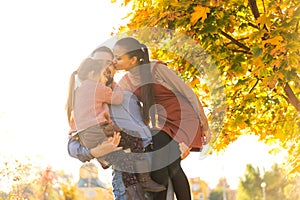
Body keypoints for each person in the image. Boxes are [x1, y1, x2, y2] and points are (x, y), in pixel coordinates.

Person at [112, 37, 211, 200]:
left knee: (166, 160)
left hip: (182, 118)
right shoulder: (126, 82)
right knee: (169, 164)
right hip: (161, 124)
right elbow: (117, 102)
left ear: (133, 59)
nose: (114, 61)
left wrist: (204, 124)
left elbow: (188, 93)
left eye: (118, 57)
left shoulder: (157, 69)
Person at [66, 47, 165, 200]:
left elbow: (146, 127)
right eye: (99, 63)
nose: (104, 67)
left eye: (108, 63)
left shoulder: (128, 96)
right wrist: (94, 152)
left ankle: (145, 180)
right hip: (126, 180)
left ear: (114, 67)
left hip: (154, 167)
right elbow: (72, 144)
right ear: (92, 70)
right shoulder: (87, 100)